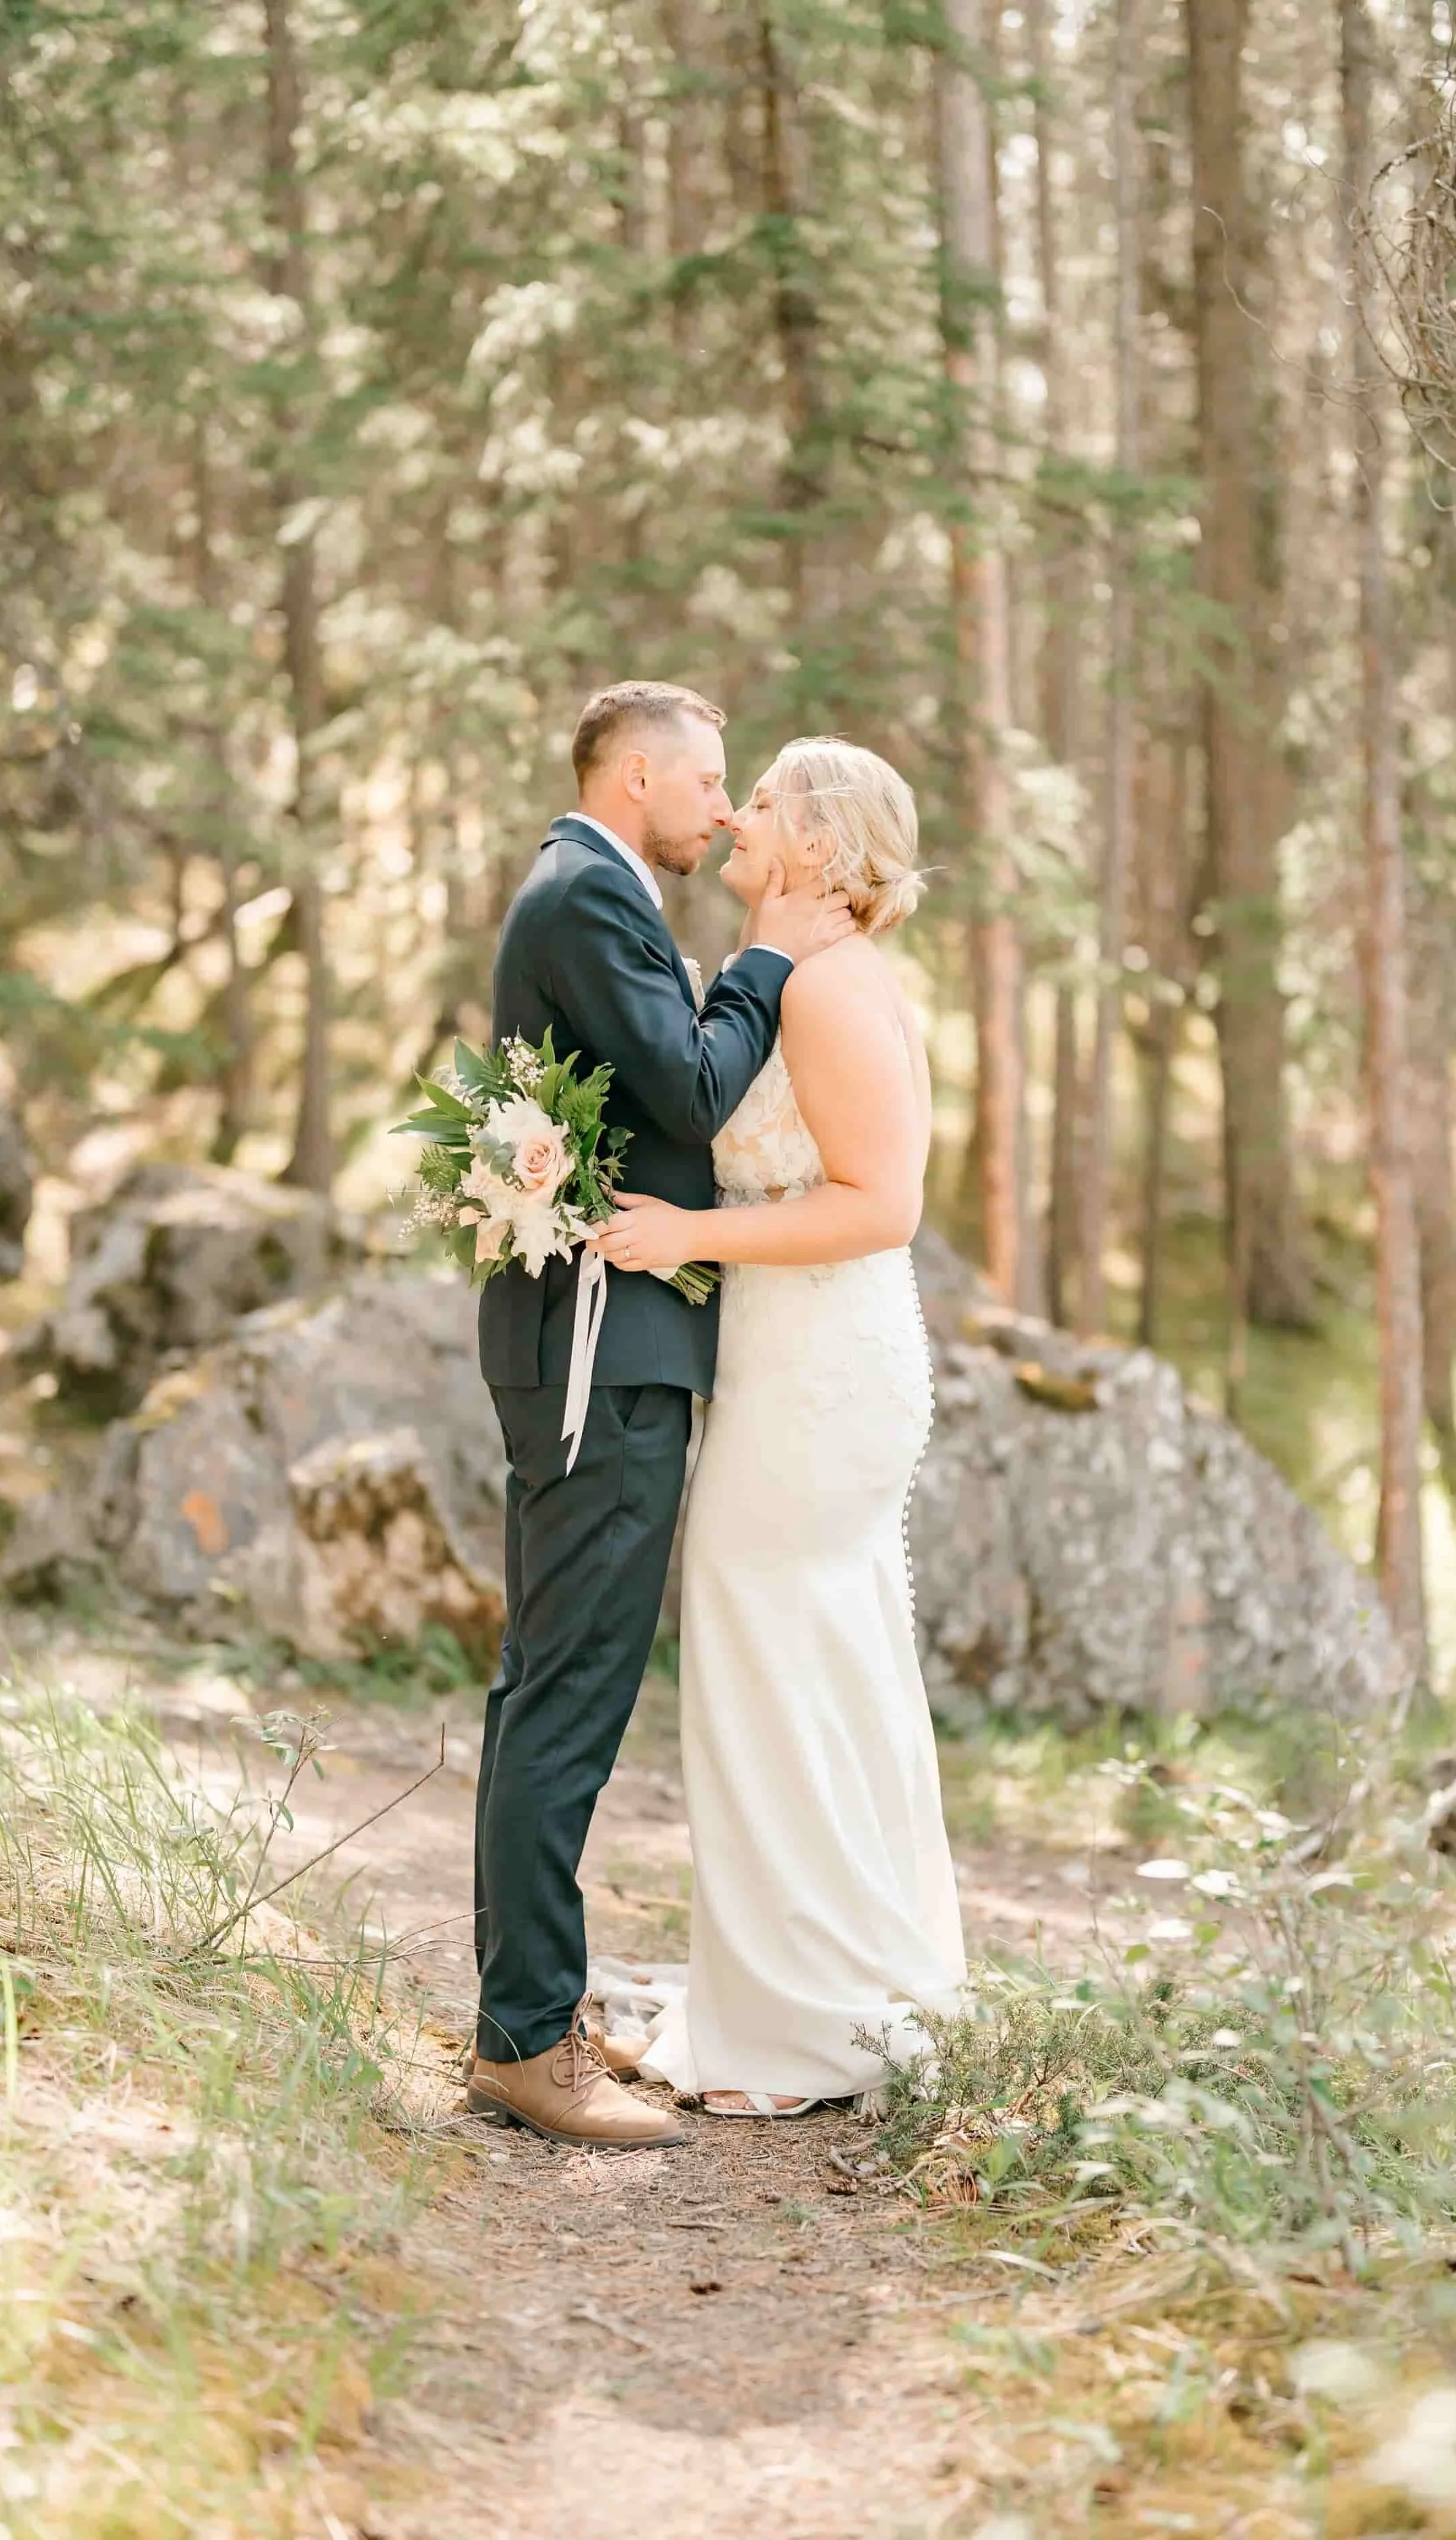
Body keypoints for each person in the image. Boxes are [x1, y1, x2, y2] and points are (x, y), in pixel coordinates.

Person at [467, 682, 854, 2151]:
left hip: (614, 1340)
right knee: (565, 1689)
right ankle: (521, 2041)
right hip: (597, 1351)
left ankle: (534, 2013)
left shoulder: (601, 893)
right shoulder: (585, 898)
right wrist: (765, 951)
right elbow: (693, 1094)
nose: (723, 808)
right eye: (705, 782)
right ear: (636, 776)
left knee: (550, 1682)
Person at [589, 737, 968, 2117]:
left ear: (808, 840)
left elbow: (881, 1203)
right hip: (793, 1352)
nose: (734, 816)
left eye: (758, 804)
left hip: (821, 1359)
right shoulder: (803, 977)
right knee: (810, 1657)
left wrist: (688, 1230)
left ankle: (807, 2026)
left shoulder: (826, 989)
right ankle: (823, 1988)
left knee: (768, 1656)